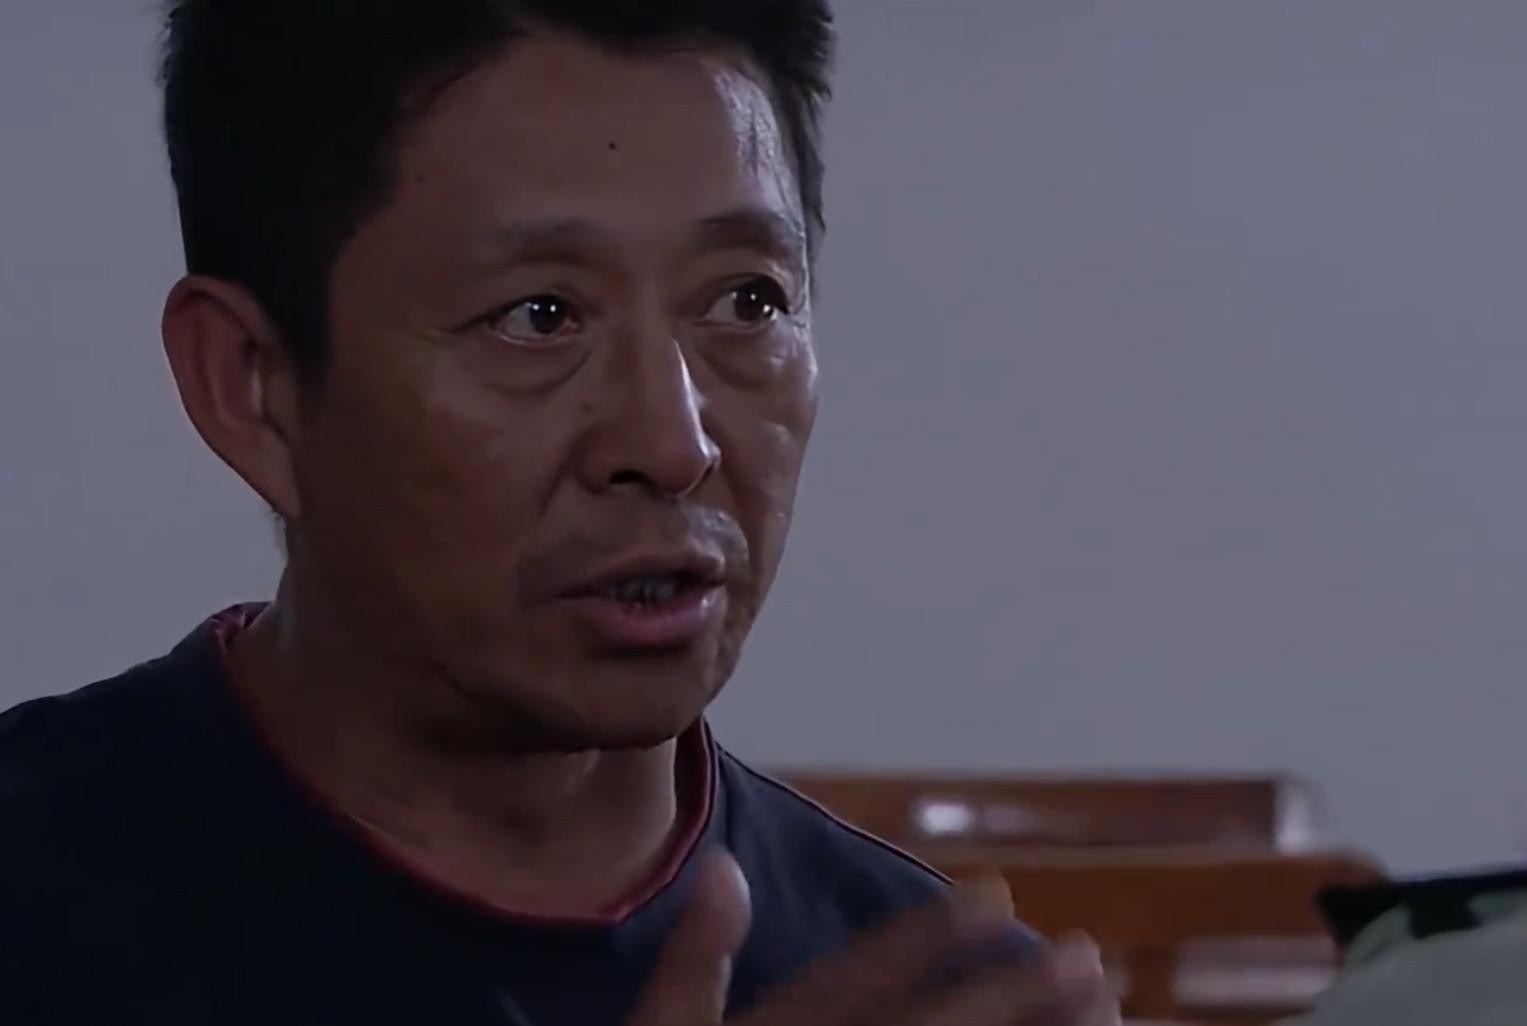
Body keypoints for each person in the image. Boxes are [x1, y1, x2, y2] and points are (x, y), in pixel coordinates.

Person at [0, 3, 1119, 1024]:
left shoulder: (931, 993)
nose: (672, 444)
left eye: (748, 301)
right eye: (538, 316)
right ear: (253, 385)